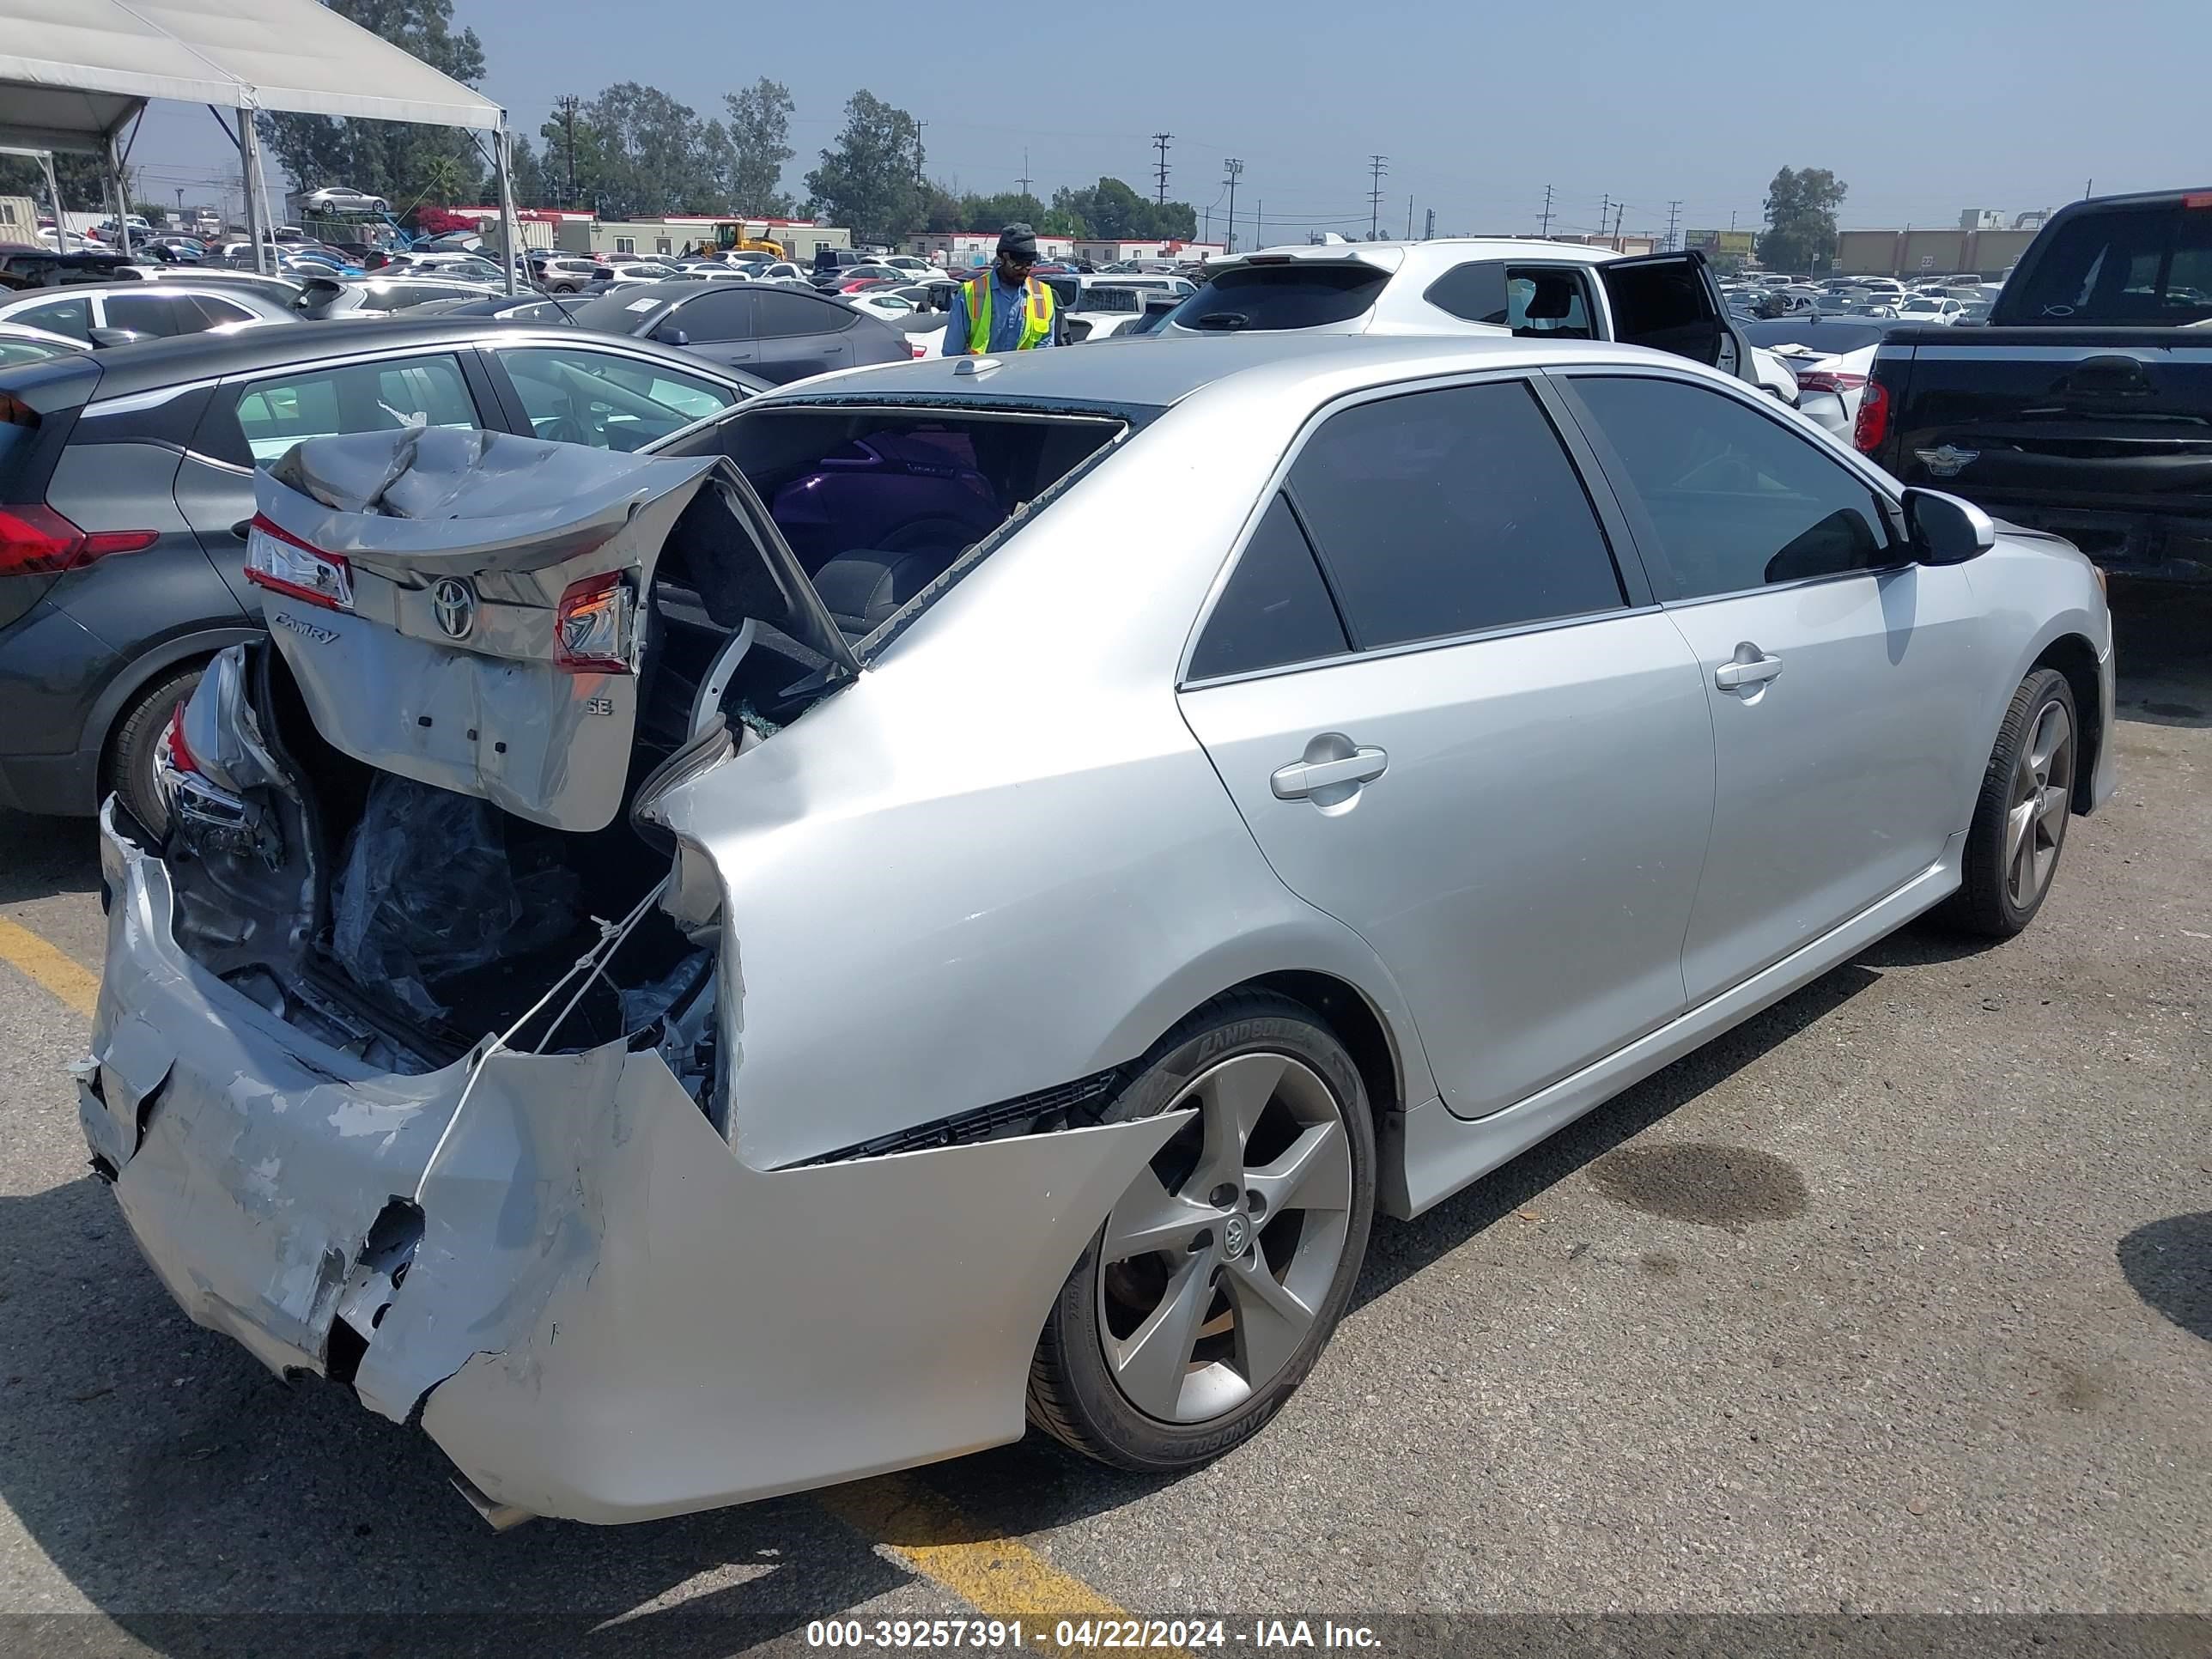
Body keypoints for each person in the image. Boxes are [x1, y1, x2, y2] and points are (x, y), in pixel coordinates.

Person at [941, 224, 1058, 356]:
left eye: (1029, 264)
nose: (1024, 270)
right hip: (981, 374)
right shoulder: (970, 294)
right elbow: (952, 353)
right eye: (1017, 265)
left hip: (1025, 374)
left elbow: (1045, 348)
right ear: (1001, 259)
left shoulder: (1042, 295)